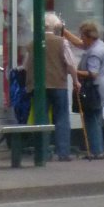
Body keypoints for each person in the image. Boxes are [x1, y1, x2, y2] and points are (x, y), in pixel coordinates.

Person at [24, 12, 80, 161]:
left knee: (42, 118)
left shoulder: (33, 43)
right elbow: (70, 64)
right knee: (62, 117)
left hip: (39, 86)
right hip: (59, 84)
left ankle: (42, 151)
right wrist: (76, 81)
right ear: (56, 27)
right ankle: (63, 152)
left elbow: (26, 65)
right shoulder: (62, 42)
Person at [71, 19, 104, 159]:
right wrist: (64, 33)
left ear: (89, 36)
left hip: (93, 89)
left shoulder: (94, 52)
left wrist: (73, 71)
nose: (81, 39)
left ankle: (96, 151)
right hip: (100, 89)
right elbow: (79, 43)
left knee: (91, 121)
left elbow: (93, 73)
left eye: (83, 36)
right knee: (95, 120)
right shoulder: (99, 45)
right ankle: (98, 149)